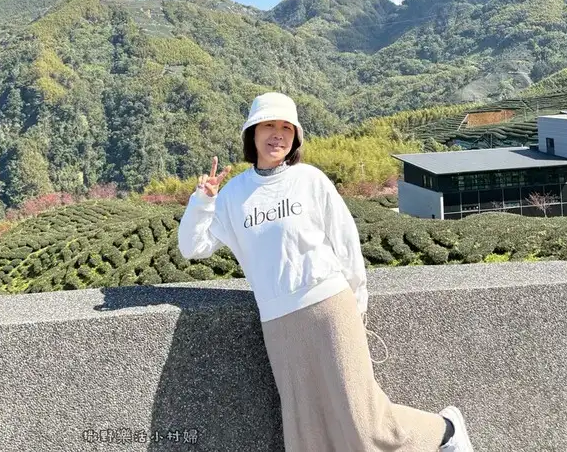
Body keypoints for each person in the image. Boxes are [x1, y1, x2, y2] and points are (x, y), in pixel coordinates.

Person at [178, 91, 474, 452]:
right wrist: (203, 201)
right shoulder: (233, 195)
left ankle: (445, 430)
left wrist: (357, 304)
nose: (277, 134)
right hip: (277, 321)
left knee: (364, 421)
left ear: (296, 137)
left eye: (286, 127)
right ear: (252, 133)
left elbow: (345, 242)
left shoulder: (310, 180)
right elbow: (192, 247)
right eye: (269, 125)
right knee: (306, 433)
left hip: (330, 307)